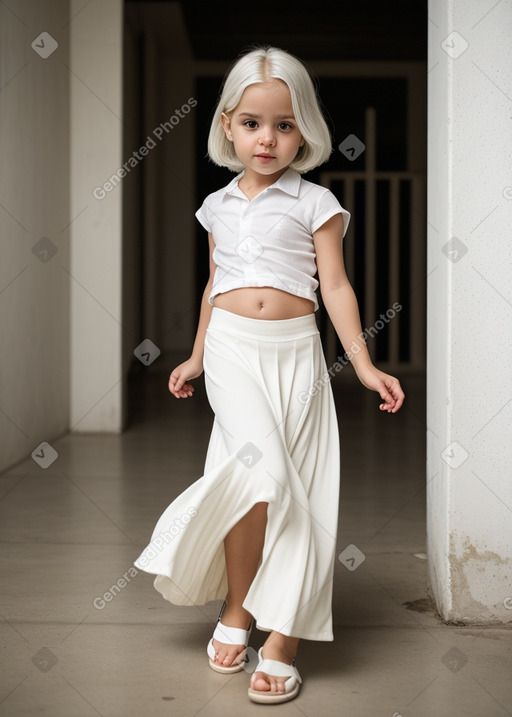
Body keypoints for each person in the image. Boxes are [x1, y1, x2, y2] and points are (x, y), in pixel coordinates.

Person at [134, 44, 405, 705]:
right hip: (231, 349)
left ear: (303, 130)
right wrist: (197, 354)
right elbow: (215, 283)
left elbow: (335, 288)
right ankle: (237, 602)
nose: (268, 138)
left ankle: (280, 636)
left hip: (297, 355)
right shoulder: (216, 206)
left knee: (295, 490)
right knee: (264, 474)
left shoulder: (317, 203)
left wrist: (363, 363)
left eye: (284, 124)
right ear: (227, 124)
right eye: (253, 123)